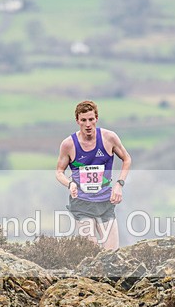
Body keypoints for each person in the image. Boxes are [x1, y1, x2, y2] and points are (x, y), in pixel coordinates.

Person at [56, 100, 131, 250]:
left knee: (111, 253)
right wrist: (70, 184)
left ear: (96, 118)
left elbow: (127, 159)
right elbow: (59, 172)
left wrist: (119, 185)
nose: (88, 124)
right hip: (82, 202)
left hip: (105, 201)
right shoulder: (68, 144)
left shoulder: (109, 138)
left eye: (91, 119)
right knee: (91, 251)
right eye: (83, 120)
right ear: (77, 121)